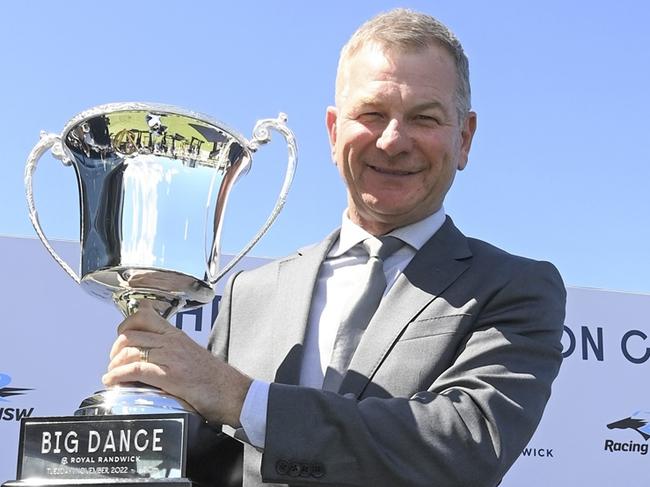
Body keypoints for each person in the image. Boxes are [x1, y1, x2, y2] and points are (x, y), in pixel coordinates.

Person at [103, 8, 566, 487]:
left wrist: (242, 398)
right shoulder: (251, 292)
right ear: (332, 131)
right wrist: (151, 416)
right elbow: (222, 466)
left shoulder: (514, 287)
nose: (392, 141)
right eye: (371, 114)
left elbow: (467, 445)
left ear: (464, 138)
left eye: (423, 118)